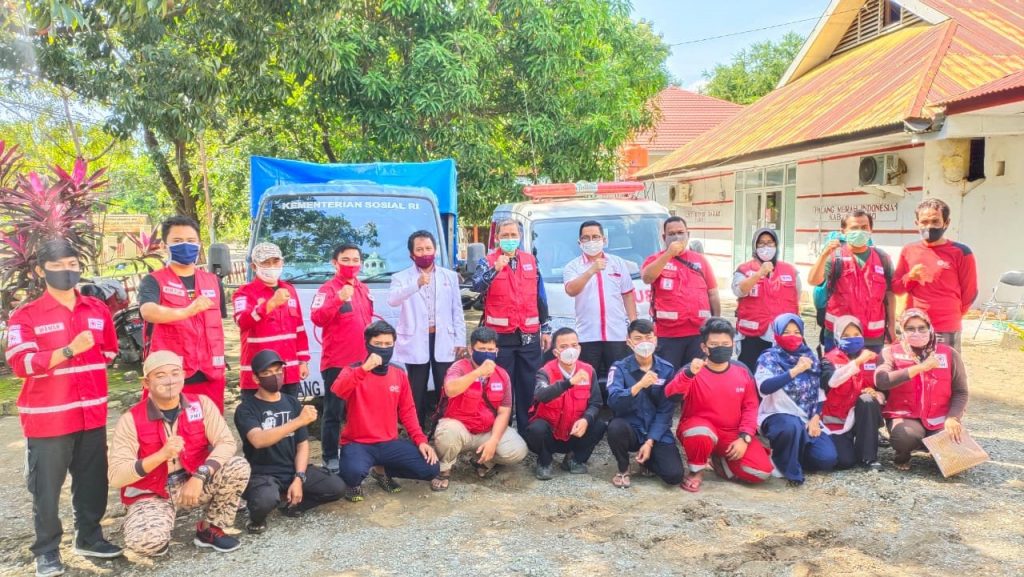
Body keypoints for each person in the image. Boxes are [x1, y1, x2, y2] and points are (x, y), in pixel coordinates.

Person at [7, 239, 122, 576]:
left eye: (72, 264)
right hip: (49, 420)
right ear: (39, 271)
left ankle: (89, 538)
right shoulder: (26, 315)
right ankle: (46, 551)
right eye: (57, 266)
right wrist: (69, 351)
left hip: (91, 414)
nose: (66, 271)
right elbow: (22, 363)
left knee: (92, 482)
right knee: (46, 489)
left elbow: (109, 351)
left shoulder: (97, 309)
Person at [109, 351, 251, 556]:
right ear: (146, 382)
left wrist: (200, 476)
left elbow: (226, 443)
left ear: (184, 376)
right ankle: (150, 521)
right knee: (147, 544)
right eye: (161, 375)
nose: (170, 380)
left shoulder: (201, 404)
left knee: (237, 466)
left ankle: (210, 529)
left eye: (175, 373)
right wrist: (161, 455)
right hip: (154, 492)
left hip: (193, 482)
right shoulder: (131, 419)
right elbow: (116, 476)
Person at [234, 350, 344, 533]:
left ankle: (292, 503)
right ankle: (257, 515)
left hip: (292, 468)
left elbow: (302, 444)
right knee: (263, 502)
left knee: (336, 487)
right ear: (255, 378)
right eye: (267, 373)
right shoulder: (246, 409)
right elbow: (258, 440)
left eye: (278, 371)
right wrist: (298, 421)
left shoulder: (292, 402)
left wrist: (299, 477)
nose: (275, 376)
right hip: (262, 473)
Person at [331, 321, 440, 502]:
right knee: (352, 474)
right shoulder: (353, 370)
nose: (383, 348)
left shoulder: (398, 373)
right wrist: (364, 369)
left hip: (389, 443)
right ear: (367, 344)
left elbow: (407, 411)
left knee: (431, 468)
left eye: (388, 344)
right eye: (378, 344)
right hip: (358, 443)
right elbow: (338, 390)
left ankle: (381, 472)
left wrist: (421, 440)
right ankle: (355, 479)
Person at [665, 318, 772, 492]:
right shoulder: (693, 369)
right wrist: (688, 374)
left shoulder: (742, 371)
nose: (720, 348)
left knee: (761, 472)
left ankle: (719, 460)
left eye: (725, 344)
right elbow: (671, 395)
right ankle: (696, 471)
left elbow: (751, 407)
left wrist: (744, 438)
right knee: (700, 432)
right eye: (714, 344)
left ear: (732, 344)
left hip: (731, 433)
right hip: (699, 428)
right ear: (704, 347)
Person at [138, 215, 229, 412]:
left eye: (191, 240)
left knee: (210, 426)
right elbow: (148, 311)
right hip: (170, 376)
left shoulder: (213, 282)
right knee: (167, 427)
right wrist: (187, 311)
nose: (185, 246)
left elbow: (216, 327)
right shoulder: (154, 281)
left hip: (209, 374)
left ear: (199, 244)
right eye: (178, 241)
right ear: (165, 246)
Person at [471, 219, 551, 432]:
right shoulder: (488, 261)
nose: (509, 239)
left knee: (528, 386)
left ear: (520, 236)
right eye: (504, 235)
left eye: (513, 235)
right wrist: (495, 269)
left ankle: (527, 432)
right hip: (500, 338)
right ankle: (502, 432)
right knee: (500, 387)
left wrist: (546, 328)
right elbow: (476, 286)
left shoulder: (530, 260)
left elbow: (540, 296)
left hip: (529, 335)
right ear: (497, 238)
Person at [432, 327, 528, 490]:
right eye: (482, 349)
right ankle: (444, 469)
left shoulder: (502, 375)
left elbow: (504, 412)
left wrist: (494, 441)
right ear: (471, 350)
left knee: (517, 450)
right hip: (459, 428)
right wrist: (477, 373)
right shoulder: (458, 367)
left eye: (490, 349)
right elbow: (450, 389)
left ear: (496, 351)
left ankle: (482, 461)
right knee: (447, 433)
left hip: (486, 430)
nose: (486, 353)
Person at [388, 230, 467, 428]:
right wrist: (415, 284)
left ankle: (444, 428)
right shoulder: (401, 277)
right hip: (415, 339)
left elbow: (457, 310)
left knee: (445, 386)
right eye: (420, 249)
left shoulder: (449, 276)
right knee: (416, 389)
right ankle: (416, 430)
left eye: (428, 248)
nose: (425, 253)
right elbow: (393, 300)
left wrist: (460, 339)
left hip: (444, 338)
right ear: (411, 254)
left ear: (435, 251)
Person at [875, 309, 969, 471]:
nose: (916, 332)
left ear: (930, 328)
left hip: (939, 418)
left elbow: (961, 391)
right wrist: (920, 368)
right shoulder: (891, 352)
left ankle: (935, 449)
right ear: (902, 330)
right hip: (905, 416)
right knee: (906, 437)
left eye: (922, 328)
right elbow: (881, 381)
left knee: (958, 462)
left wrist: (953, 417)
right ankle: (903, 455)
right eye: (910, 329)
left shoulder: (948, 353)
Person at [311, 243, 374, 473]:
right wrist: (338, 299)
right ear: (334, 263)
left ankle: (359, 453)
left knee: (361, 412)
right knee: (333, 413)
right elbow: (317, 318)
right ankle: (330, 457)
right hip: (337, 363)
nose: (351, 264)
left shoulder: (363, 289)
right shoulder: (327, 289)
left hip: (363, 363)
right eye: (345, 260)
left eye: (355, 260)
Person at [755, 313, 838, 486]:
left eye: (797, 332)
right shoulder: (769, 357)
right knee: (791, 426)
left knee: (827, 459)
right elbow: (765, 387)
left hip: (806, 418)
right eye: (786, 332)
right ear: (777, 334)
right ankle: (785, 464)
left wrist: (815, 418)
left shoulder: (810, 357)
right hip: (777, 414)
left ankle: (792, 454)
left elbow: (819, 392)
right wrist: (795, 371)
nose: (792, 336)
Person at [605, 319, 684, 488]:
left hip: (656, 430)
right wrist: (638, 386)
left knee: (674, 476)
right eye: (638, 338)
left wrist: (650, 441)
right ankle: (623, 467)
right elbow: (613, 402)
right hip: (631, 428)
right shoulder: (619, 368)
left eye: (648, 337)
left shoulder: (667, 369)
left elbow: (666, 411)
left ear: (655, 340)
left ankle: (646, 461)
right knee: (615, 427)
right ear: (629, 342)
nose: (644, 343)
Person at [892, 198, 978, 352]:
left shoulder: (961, 252)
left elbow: (969, 293)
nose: (929, 226)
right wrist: (911, 277)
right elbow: (896, 288)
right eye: (924, 222)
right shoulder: (908, 250)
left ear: (946, 223)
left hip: (946, 327)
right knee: (912, 367)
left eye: (935, 221)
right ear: (917, 223)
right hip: (913, 326)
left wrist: (951, 315)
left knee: (945, 367)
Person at [562, 220, 637, 396]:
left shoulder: (617, 263)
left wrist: (633, 325)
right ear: (579, 242)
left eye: (595, 237)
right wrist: (591, 270)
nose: (591, 241)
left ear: (604, 240)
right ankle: (588, 411)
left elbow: (627, 294)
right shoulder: (573, 266)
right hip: (587, 335)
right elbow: (571, 290)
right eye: (586, 238)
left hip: (616, 333)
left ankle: (618, 411)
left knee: (619, 379)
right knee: (586, 382)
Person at [807, 210, 895, 353]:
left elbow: (890, 293)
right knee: (837, 368)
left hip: (873, 337)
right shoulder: (835, 257)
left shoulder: (882, 258)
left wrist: (891, 325)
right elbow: (813, 280)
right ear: (843, 231)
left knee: (871, 368)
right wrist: (824, 255)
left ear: (871, 229)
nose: (860, 231)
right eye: (854, 228)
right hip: (839, 336)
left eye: (864, 227)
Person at [525, 328, 607, 480]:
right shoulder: (545, 372)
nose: (570, 350)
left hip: (575, 432)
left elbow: (596, 403)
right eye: (563, 347)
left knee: (599, 425)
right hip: (551, 433)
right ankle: (544, 461)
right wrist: (568, 383)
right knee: (536, 429)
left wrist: (586, 420)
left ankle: (574, 459)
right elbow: (541, 395)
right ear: (555, 352)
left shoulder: (588, 371)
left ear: (579, 348)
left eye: (574, 345)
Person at [641, 216, 720, 369]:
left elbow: (713, 293)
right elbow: (647, 278)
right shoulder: (656, 259)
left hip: (698, 333)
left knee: (696, 376)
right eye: (671, 234)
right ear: (664, 237)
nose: (676, 237)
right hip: (668, 335)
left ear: (687, 235)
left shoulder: (700, 260)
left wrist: (716, 323)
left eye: (680, 232)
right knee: (668, 377)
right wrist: (668, 255)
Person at [233, 242, 310, 398]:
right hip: (260, 374)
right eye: (266, 263)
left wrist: (302, 361)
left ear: (282, 262)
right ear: (254, 266)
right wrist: (270, 305)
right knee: (259, 413)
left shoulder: (289, 289)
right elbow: (242, 322)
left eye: (275, 261)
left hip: (288, 371)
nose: (272, 266)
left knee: (291, 411)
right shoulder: (244, 293)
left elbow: (299, 328)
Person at [819, 316, 885, 470]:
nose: (852, 338)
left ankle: (868, 457)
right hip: (837, 422)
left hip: (860, 416)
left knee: (868, 400)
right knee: (844, 462)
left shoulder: (873, 358)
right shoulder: (828, 360)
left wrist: (877, 394)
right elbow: (831, 381)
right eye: (846, 335)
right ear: (837, 337)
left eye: (856, 334)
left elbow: (884, 389)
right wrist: (858, 362)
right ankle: (847, 444)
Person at [733, 228, 801, 372]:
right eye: (761, 243)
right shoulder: (744, 269)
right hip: (752, 336)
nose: (766, 247)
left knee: (781, 376)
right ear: (754, 246)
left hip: (783, 335)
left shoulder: (790, 271)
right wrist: (759, 273)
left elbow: (797, 298)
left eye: (770, 243)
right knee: (750, 375)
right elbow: (739, 290)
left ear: (776, 245)